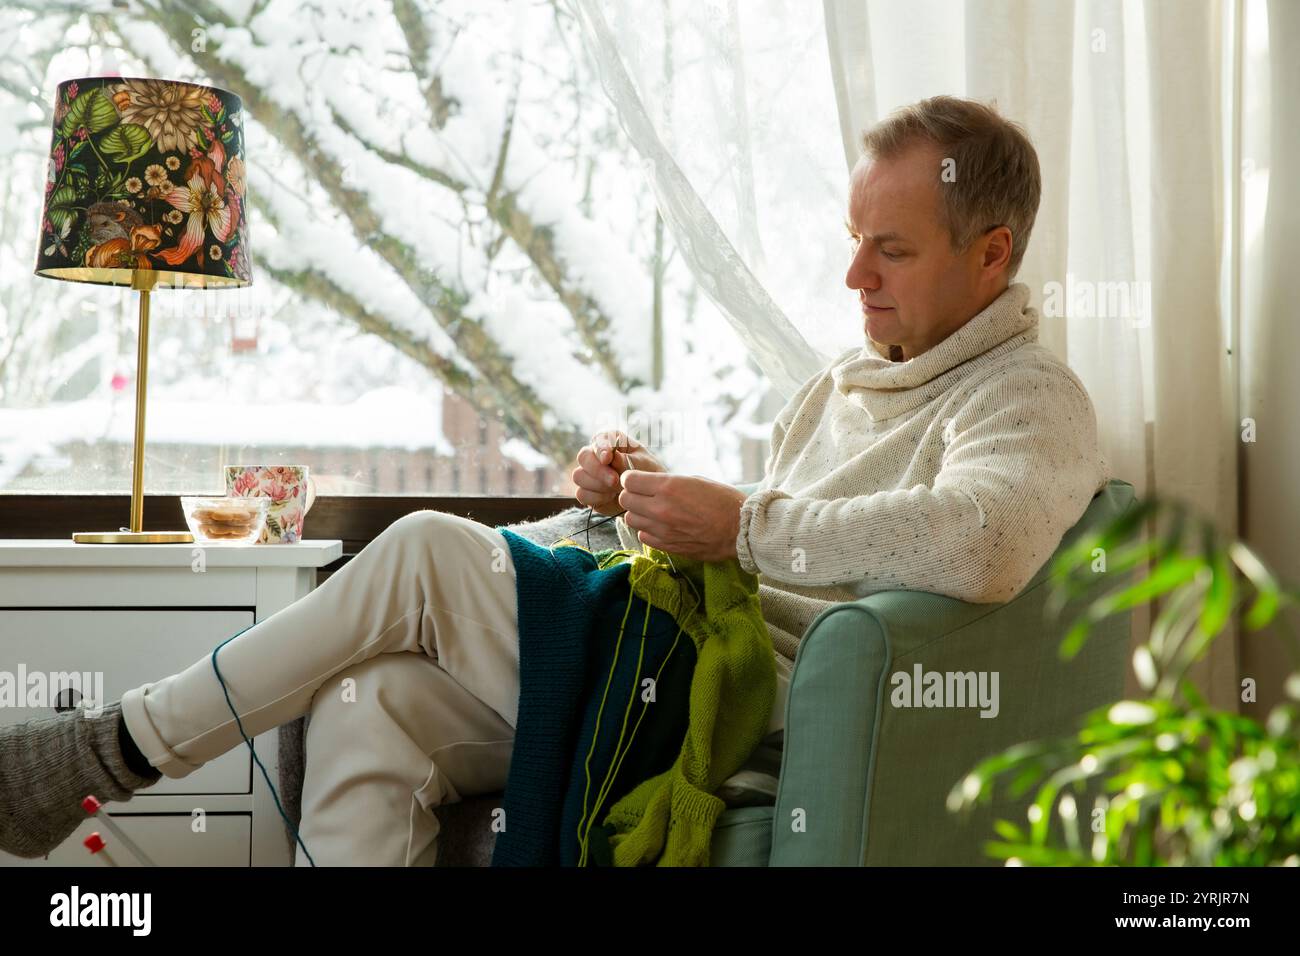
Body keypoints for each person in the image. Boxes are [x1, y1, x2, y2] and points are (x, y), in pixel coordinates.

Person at [0, 94, 1107, 865]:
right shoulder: (841, 385)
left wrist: (741, 524)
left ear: (991, 254)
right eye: (854, 239)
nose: (852, 275)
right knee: (368, 700)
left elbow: (980, 540)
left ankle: (109, 749)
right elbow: (765, 545)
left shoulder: (1027, 397)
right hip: (674, 657)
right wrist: (629, 509)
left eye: (892, 251)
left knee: (431, 545)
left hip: (739, 706)